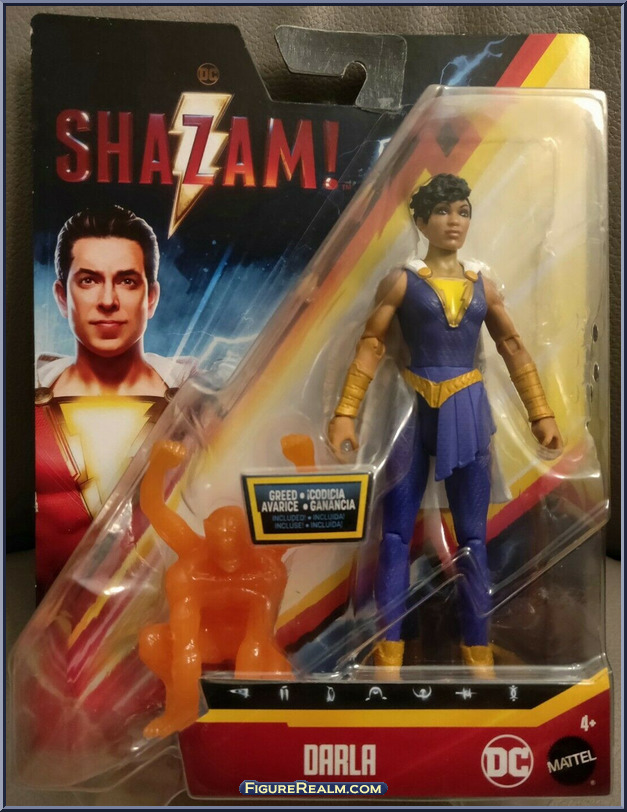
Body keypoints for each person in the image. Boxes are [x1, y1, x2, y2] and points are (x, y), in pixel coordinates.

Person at [328, 174, 563, 677]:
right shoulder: (401, 280)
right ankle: (389, 652)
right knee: (394, 535)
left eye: (462, 211)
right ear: (420, 221)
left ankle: (477, 650)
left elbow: (512, 345)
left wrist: (540, 413)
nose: (454, 221)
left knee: (474, 538)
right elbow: (372, 343)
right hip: (411, 408)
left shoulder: (483, 285)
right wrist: (346, 411)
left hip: (468, 408)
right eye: (442, 211)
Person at [35, 205, 195, 596]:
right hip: (42, 617)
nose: (108, 300)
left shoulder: (197, 402)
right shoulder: (26, 402)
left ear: (151, 297)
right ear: (62, 296)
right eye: (89, 280)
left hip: (168, 612)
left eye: (126, 281)